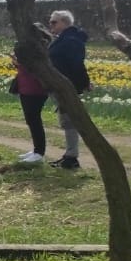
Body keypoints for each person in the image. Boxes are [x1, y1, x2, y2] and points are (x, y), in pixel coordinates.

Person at [47, 10, 91, 170]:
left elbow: (77, 64)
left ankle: (72, 158)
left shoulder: (71, 40)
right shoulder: (64, 39)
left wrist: (84, 82)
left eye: (54, 22)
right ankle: (69, 155)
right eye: (50, 22)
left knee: (69, 121)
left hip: (67, 86)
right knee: (67, 120)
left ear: (65, 23)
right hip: (60, 85)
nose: (51, 25)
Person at [12, 44, 49, 165]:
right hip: (26, 89)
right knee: (31, 120)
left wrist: (19, 63)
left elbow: (35, 70)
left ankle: (39, 153)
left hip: (35, 90)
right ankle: (36, 150)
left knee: (34, 120)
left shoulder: (38, 51)